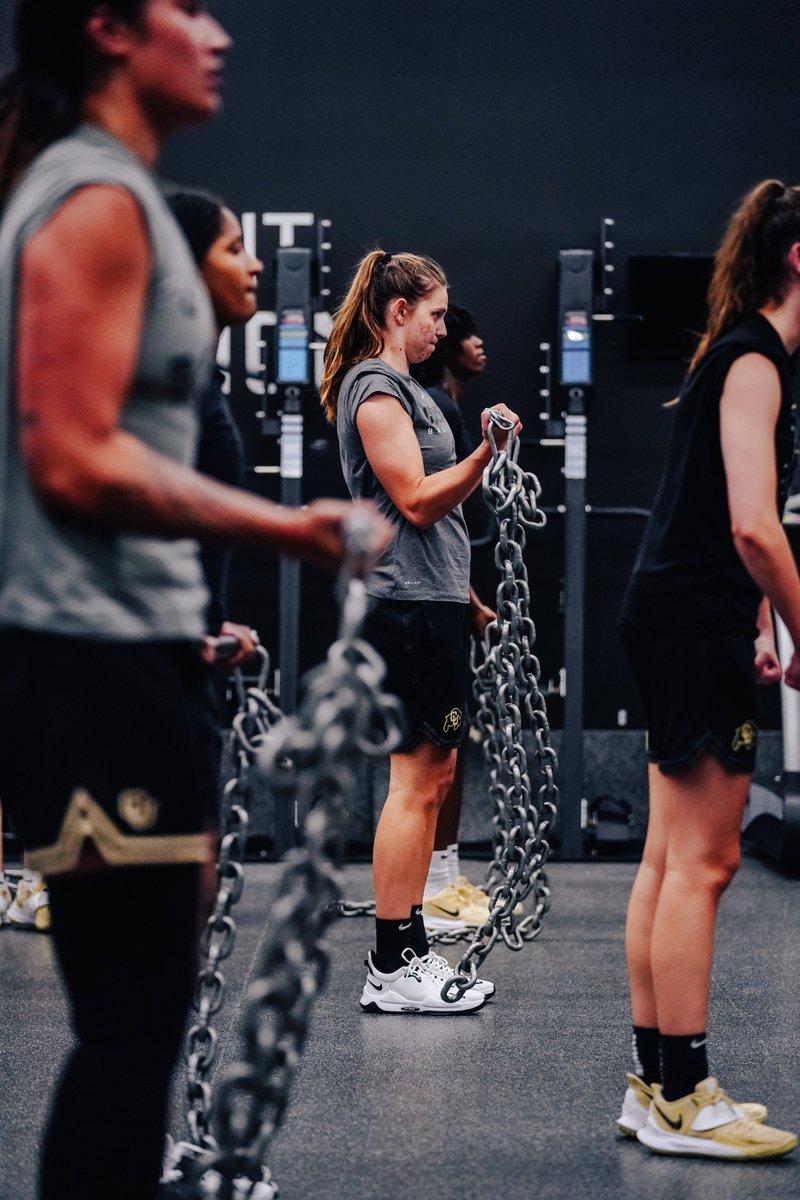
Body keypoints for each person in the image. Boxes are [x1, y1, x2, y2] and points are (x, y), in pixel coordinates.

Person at [0, 5, 387, 1199]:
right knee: (128, 1030)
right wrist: (295, 529)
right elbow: (68, 457)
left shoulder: (91, 192)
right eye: (189, 11)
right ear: (112, 31)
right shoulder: (98, 202)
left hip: (122, 653)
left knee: (131, 1026)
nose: (218, 35)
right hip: (92, 660)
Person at [617, 179, 800, 1159]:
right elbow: (750, 525)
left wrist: (766, 620)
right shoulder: (755, 360)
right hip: (690, 628)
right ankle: (685, 1096)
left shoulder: (730, 356)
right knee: (705, 860)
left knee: (665, 855)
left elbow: (723, 515)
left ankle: (653, 1087)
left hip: (673, 617)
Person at [320, 249, 520, 1014]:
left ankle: (402, 957)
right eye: (434, 314)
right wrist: (484, 453)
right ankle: (395, 962)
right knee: (414, 782)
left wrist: (468, 599)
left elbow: (438, 524)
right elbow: (416, 501)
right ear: (397, 310)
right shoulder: (374, 389)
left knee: (432, 779)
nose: (444, 327)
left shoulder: (412, 391)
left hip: (433, 601)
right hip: (402, 607)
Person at [411, 304, 497, 930]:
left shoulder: (451, 407)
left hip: (457, 581)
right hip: (437, 590)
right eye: (458, 328)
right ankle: (433, 886)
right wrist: (467, 597)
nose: (472, 341)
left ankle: (445, 875)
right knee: (436, 750)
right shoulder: (432, 406)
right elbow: (428, 512)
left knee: (450, 745)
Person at [166, 184, 262, 668]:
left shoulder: (201, 381)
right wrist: (294, 530)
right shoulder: (166, 389)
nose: (255, 265)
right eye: (235, 249)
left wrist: (209, 622)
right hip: (150, 667)